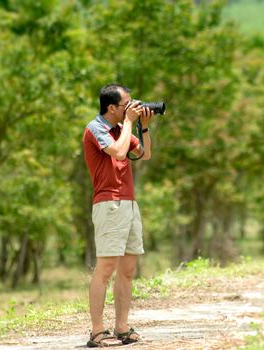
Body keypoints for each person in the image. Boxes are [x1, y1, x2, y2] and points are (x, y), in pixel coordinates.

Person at [82, 83, 153, 347]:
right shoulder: (96, 128)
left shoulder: (122, 128)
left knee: (127, 270)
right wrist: (128, 124)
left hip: (129, 203)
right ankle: (97, 331)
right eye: (127, 104)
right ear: (112, 107)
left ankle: (122, 328)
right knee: (106, 269)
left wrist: (142, 126)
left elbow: (145, 154)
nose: (131, 108)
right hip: (108, 203)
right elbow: (119, 152)